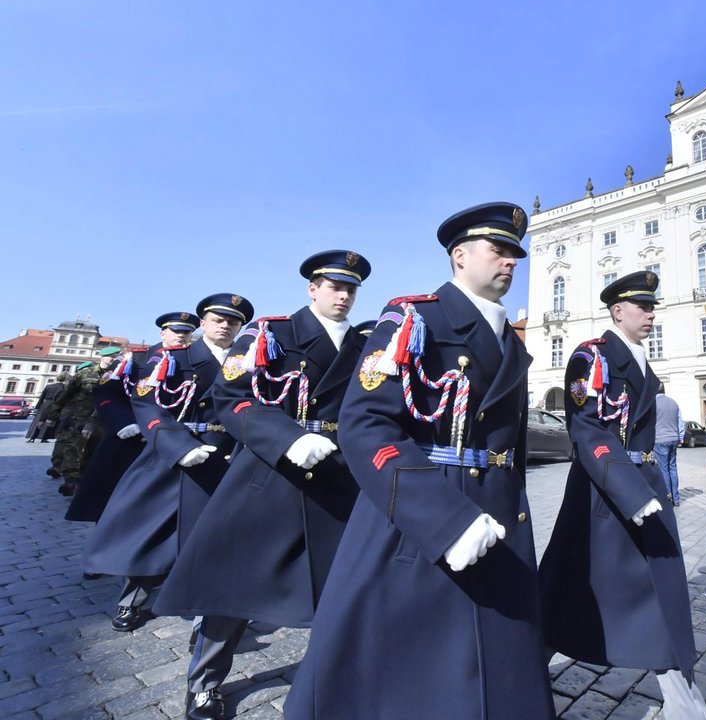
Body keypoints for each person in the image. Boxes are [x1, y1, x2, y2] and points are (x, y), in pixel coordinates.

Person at [286, 203, 554, 719]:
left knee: (499, 661)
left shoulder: (510, 341)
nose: (511, 263)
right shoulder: (415, 319)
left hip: (497, 515)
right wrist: (443, 518)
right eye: (498, 251)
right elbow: (367, 425)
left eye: (516, 255)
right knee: (402, 667)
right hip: (421, 514)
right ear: (459, 256)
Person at [152, 255, 368, 720]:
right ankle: (204, 683)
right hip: (270, 470)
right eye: (333, 286)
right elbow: (231, 399)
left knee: (343, 587)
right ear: (313, 289)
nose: (343, 295)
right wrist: (287, 438)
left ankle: (333, 678)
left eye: (351, 289)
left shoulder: (365, 344)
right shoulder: (270, 335)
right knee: (235, 585)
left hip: (338, 474)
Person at [540, 271, 706, 719]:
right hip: (603, 492)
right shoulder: (591, 357)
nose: (652, 314)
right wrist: (628, 489)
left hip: (643, 484)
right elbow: (586, 426)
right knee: (569, 585)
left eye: (653, 306)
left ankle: (683, 702)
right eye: (643, 306)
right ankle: (526, 671)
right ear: (618, 311)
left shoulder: (639, 360)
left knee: (662, 590)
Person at [82, 312, 200, 627]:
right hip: (135, 442)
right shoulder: (136, 361)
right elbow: (107, 395)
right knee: (130, 518)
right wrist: (124, 423)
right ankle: (112, 571)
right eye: (176, 331)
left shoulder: (198, 361)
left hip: (178, 444)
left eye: (188, 332)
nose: (182, 336)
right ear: (162, 332)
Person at [66, 346, 145, 521]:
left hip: (118, 422)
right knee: (80, 449)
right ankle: (70, 476)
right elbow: (99, 394)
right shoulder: (128, 363)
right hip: (107, 422)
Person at [48, 360, 107, 495]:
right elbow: (65, 395)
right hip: (78, 417)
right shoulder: (84, 374)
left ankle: (82, 480)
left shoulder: (114, 374)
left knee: (91, 450)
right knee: (73, 447)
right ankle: (70, 480)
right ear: (103, 357)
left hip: (101, 419)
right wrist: (52, 415)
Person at [654, 383, 686, 506]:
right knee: (673, 468)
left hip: (660, 439)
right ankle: (676, 498)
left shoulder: (653, 404)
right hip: (674, 438)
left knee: (663, 469)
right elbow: (680, 422)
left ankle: (667, 497)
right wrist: (681, 437)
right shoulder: (673, 403)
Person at [27, 374, 66, 443]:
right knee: (50, 421)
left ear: (57, 379)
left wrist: (38, 406)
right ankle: (44, 438)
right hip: (55, 404)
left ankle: (32, 437)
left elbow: (42, 397)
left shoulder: (49, 386)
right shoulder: (63, 387)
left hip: (45, 404)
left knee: (39, 421)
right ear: (64, 379)